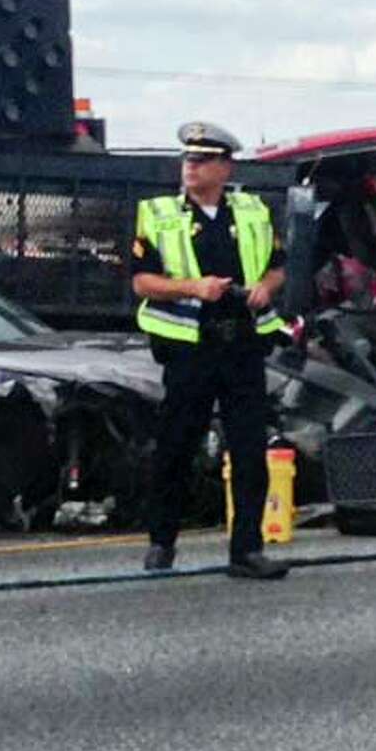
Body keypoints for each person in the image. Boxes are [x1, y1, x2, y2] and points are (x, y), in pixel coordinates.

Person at [130, 121, 289, 580]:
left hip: (241, 344)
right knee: (176, 447)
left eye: (201, 161)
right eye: (187, 160)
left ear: (225, 167)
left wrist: (265, 288)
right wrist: (193, 288)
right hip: (189, 347)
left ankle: (247, 550)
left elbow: (277, 267)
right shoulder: (158, 213)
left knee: (249, 450)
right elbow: (142, 281)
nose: (190, 168)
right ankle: (162, 543)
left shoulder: (253, 211)